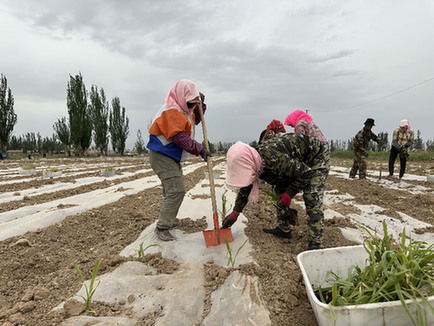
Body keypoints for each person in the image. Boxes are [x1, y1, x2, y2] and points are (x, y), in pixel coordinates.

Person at [222, 133, 330, 250]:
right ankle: (284, 229)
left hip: (316, 157)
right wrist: (235, 213)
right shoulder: (255, 161)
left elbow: (306, 172)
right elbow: (247, 186)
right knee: (279, 189)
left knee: (311, 195)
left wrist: (290, 193)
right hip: (296, 162)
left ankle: (315, 243)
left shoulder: (275, 161)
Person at [147, 79, 211, 241]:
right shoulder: (171, 111)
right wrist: (200, 150)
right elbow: (180, 138)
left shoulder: (183, 112)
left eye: (193, 105)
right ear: (182, 97)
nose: (191, 107)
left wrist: (200, 107)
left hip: (170, 156)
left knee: (172, 189)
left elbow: (196, 120)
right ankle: (162, 226)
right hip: (161, 155)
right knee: (176, 190)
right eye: (189, 103)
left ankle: (170, 219)